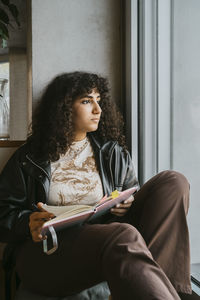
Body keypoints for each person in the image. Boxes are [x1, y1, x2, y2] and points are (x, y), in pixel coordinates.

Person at [0, 71, 191, 300]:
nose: (98, 110)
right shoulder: (28, 158)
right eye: (86, 101)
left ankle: (162, 291)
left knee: (172, 182)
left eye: (99, 101)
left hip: (105, 238)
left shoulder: (112, 152)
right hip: (48, 251)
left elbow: (132, 192)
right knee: (122, 234)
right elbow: (4, 214)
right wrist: (27, 222)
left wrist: (127, 202)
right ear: (63, 108)